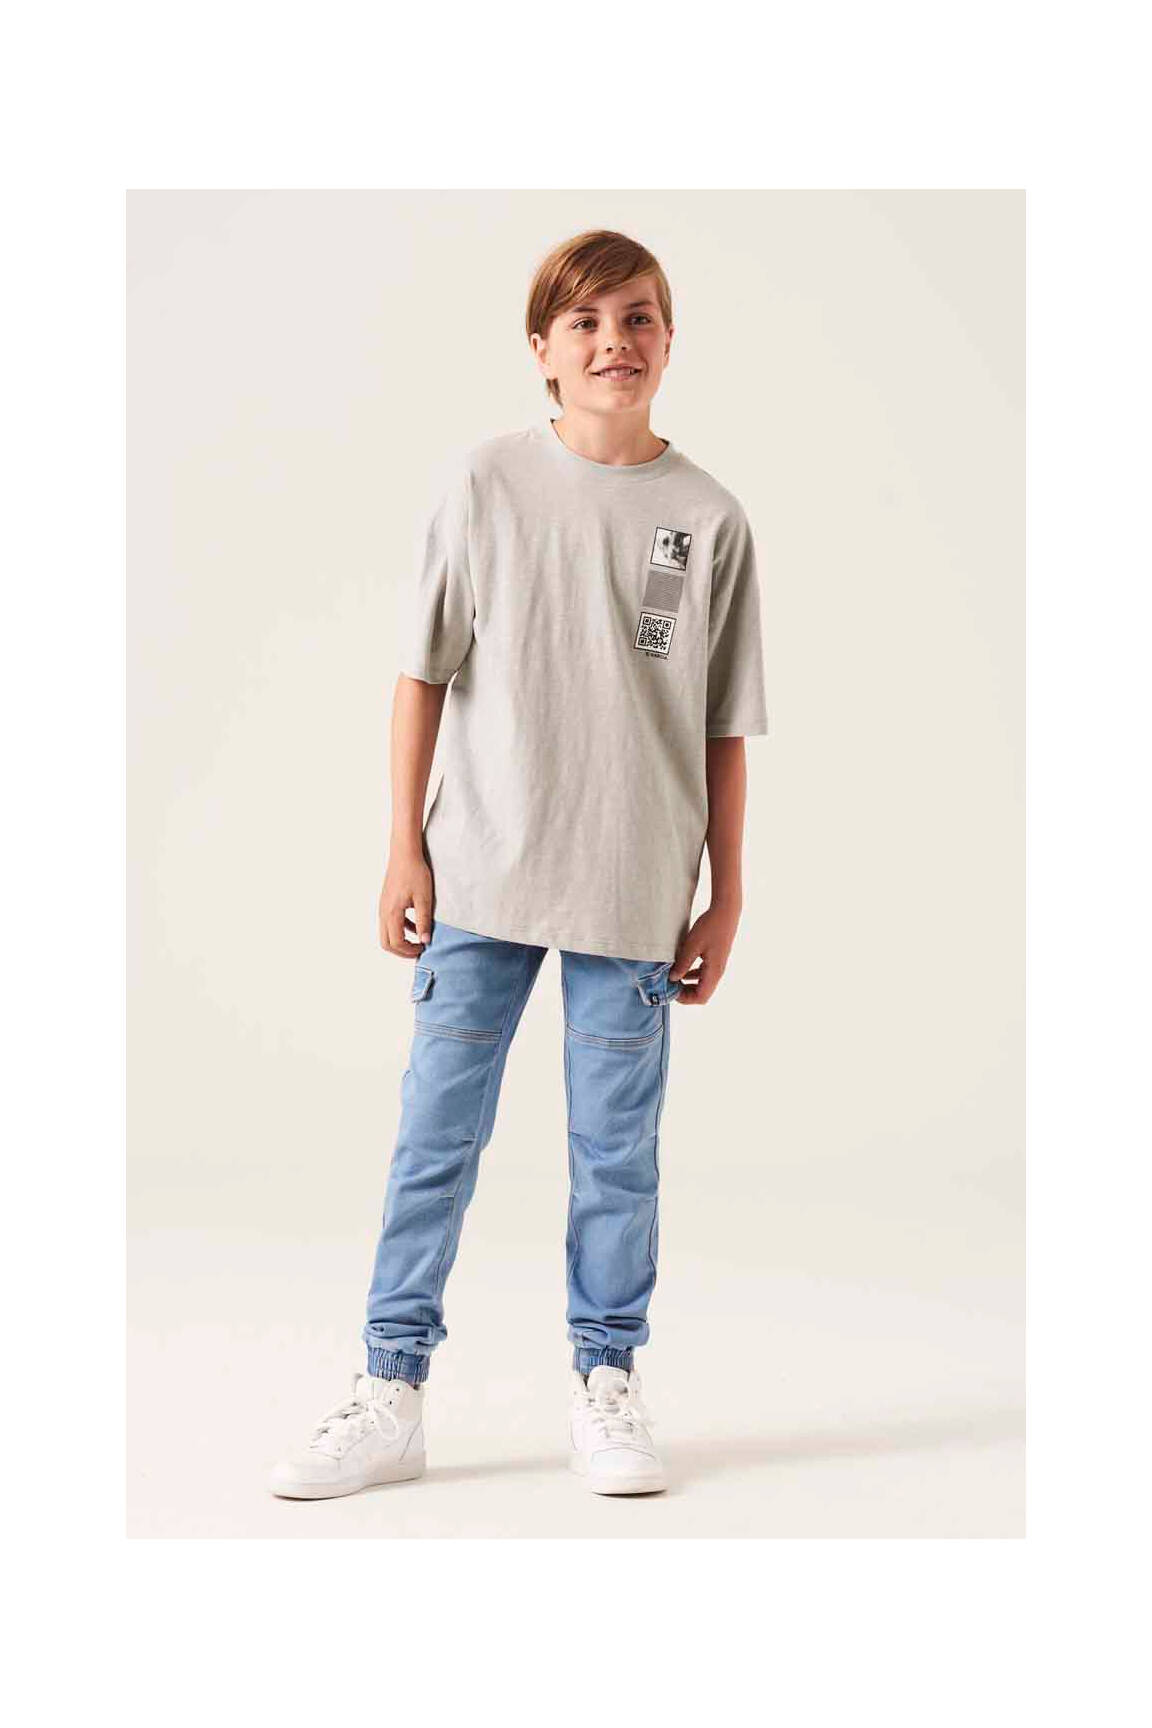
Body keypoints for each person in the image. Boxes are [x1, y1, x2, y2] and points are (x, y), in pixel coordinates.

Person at [269, 228, 768, 1501]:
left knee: (616, 1154)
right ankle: (390, 1389)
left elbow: (721, 726)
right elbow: (422, 674)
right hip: (480, 872)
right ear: (543, 349)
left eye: (638, 317)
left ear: (671, 340)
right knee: (435, 1138)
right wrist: (402, 845)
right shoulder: (484, 484)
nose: (615, 342)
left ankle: (607, 1381)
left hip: (633, 884)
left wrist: (728, 892)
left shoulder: (708, 520)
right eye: (586, 321)